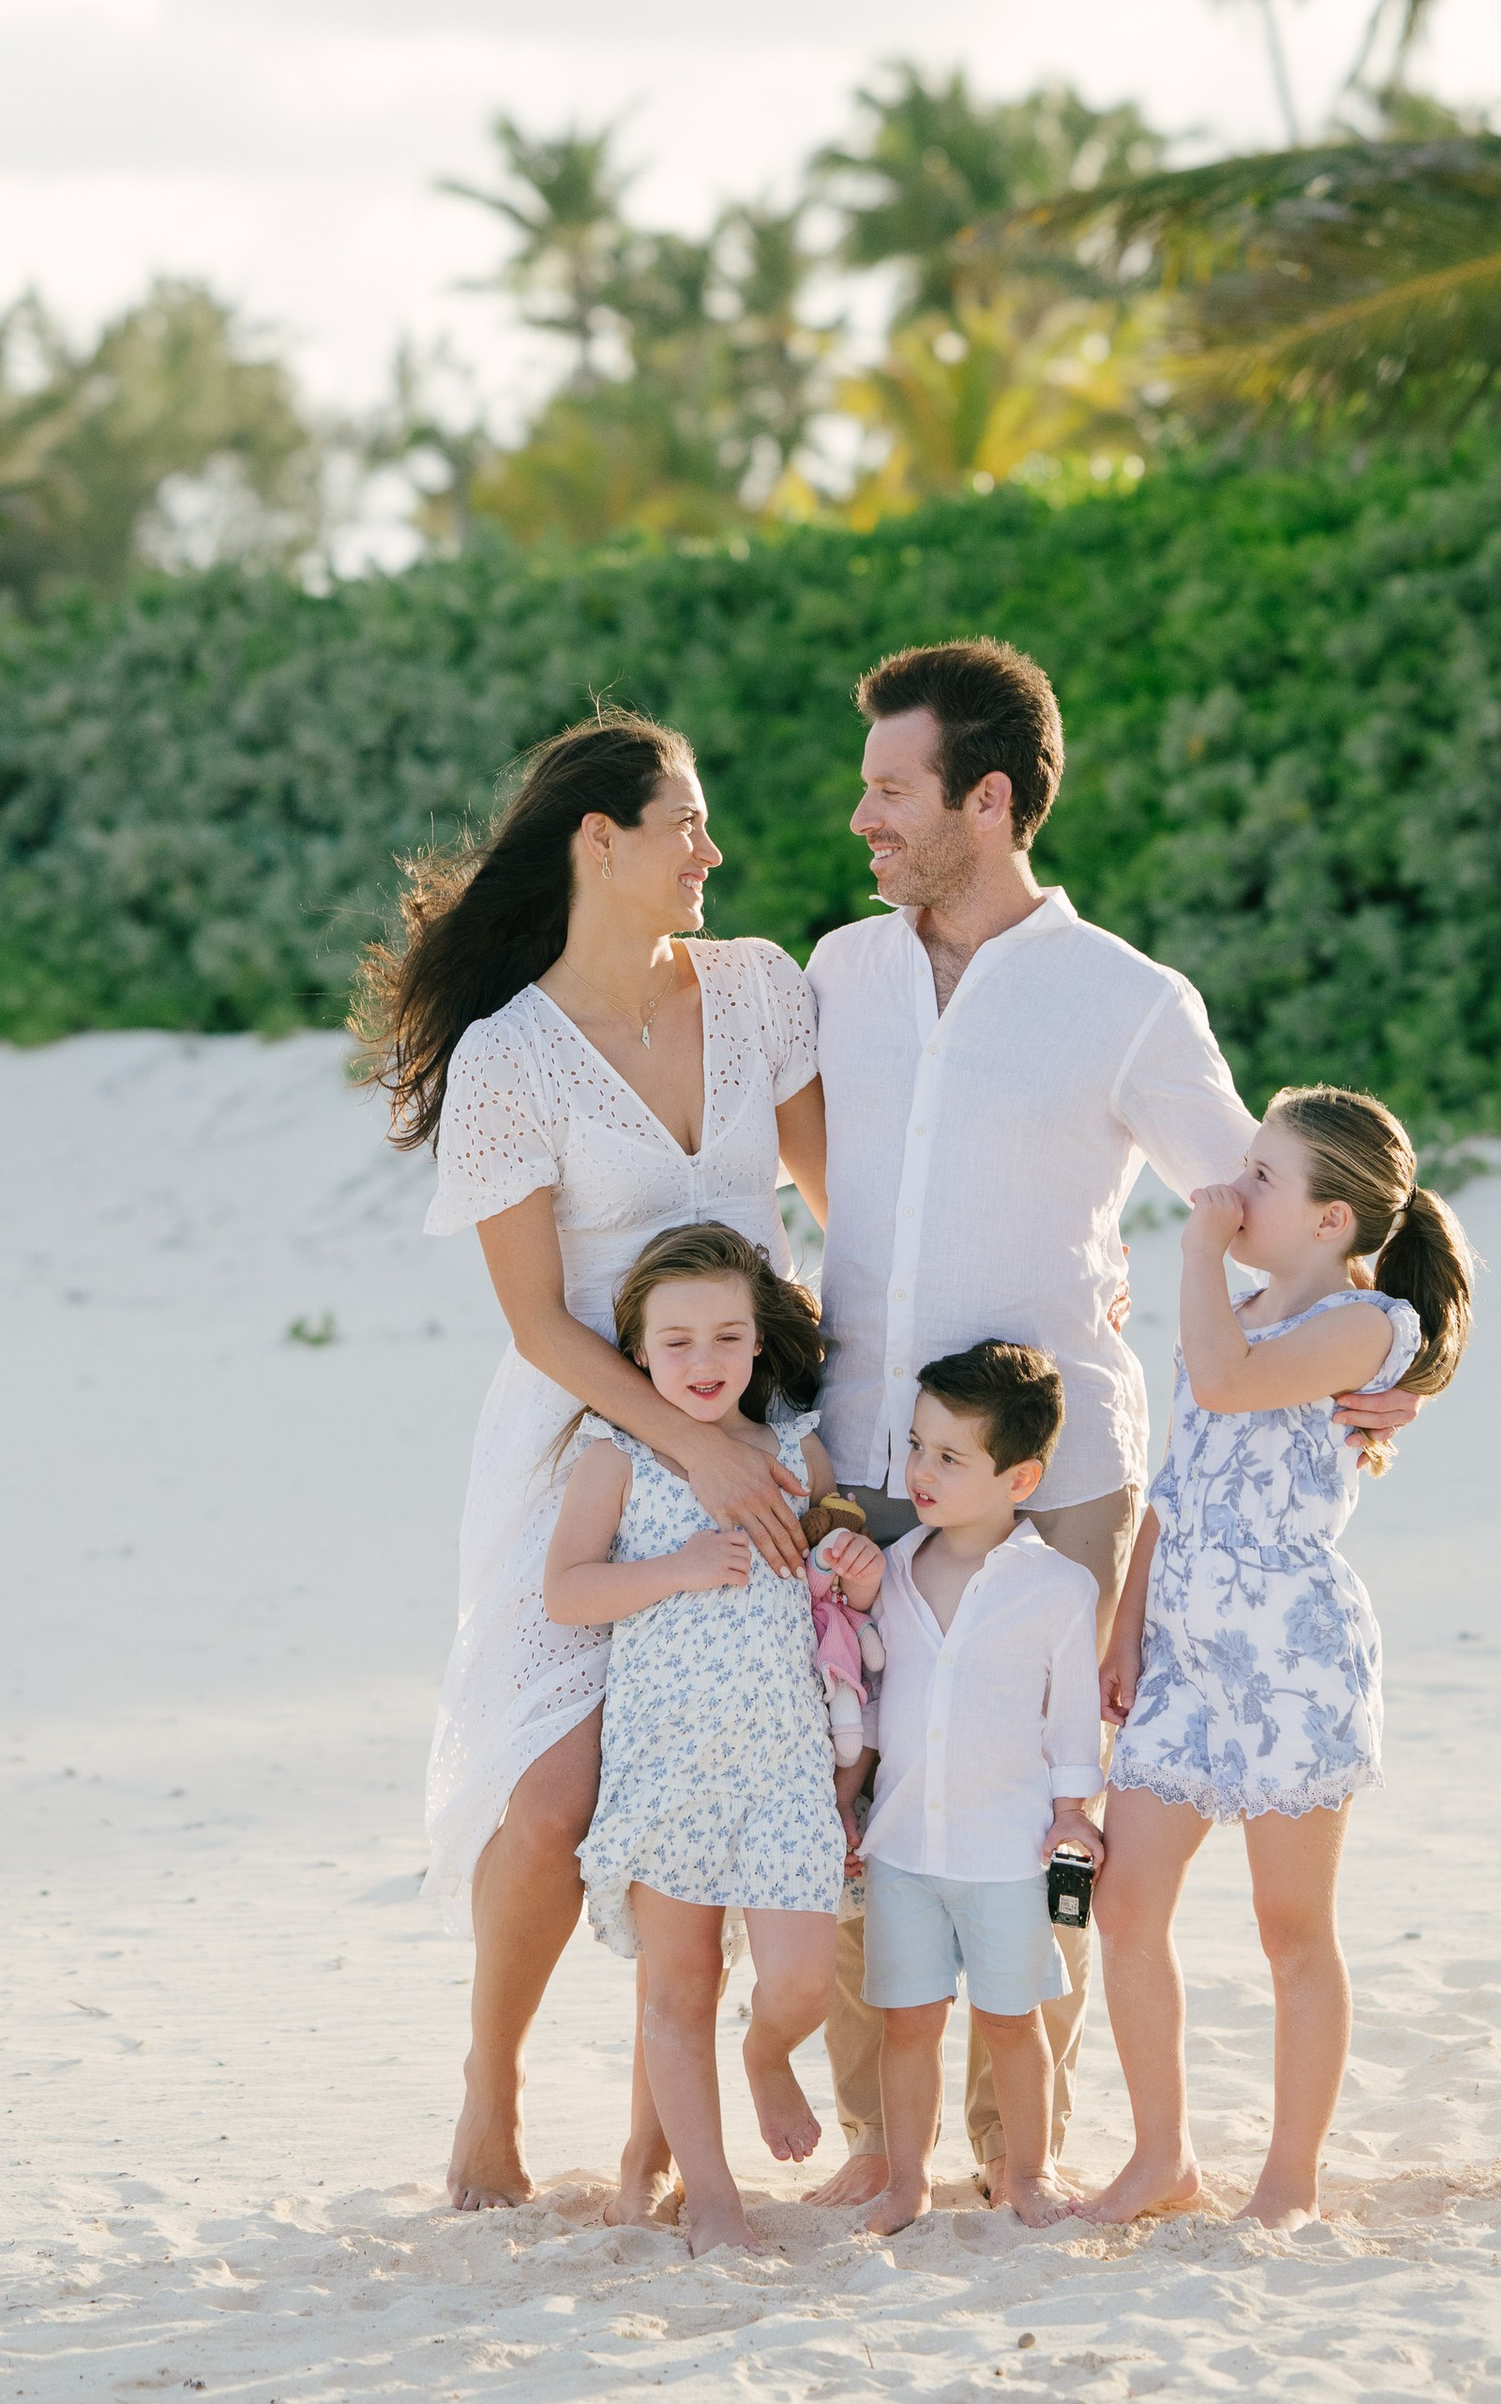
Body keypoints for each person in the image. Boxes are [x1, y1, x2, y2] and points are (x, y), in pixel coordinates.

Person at [803, 637, 1421, 2209]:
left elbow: (1277, 1208)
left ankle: (1027, 2154)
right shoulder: (839, 973)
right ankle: (886, 2149)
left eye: (893, 790)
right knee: (865, 1799)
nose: (862, 819)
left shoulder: (1129, 1001)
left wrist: (1414, 1354)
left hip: (1061, 1480)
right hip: (871, 1457)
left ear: (989, 799)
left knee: (1034, 1815)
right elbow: (841, 1170)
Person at [358, 712, 830, 2213]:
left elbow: (842, 1200)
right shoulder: (510, 1060)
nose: (712, 848)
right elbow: (538, 1325)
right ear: (598, 840)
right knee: (555, 1796)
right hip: (588, 1441)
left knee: (715, 1767)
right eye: (685, 821)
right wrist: (689, 1437)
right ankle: (487, 2095)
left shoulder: (759, 990)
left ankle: (656, 2140)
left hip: (760, 1422)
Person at [1083, 1086, 1475, 2231]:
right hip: (1182, 1651)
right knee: (1125, 1903)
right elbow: (1174, 1484)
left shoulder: (1363, 1330)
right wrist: (1125, 1629)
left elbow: (1225, 1383)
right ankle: (1163, 2154)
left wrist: (1195, 1250)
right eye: (1240, 1166)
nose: (1231, 1189)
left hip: (1288, 1655)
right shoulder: (1239, 1302)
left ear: (1331, 1223)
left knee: (1288, 1925)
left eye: (1262, 1175)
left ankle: (1288, 2177)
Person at [545, 1222, 885, 2257]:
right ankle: (715, 2199)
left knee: (792, 1976)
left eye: (726, 1337)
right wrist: (676, 1568)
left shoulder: (794, 1448)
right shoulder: (616, 1458)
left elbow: (832, 1570)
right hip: (668, 1767)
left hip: (784, 1769)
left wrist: (851, 1567)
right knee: (677, 1985)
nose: (703, 1362)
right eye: (677, 1341)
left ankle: (768, 2056)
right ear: (638, 1351)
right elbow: (565, 1591)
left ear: (756, 1343)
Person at [853, 1344, 1104, 2239]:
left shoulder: (1058, 1588)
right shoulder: (893, 1573)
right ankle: (906, 2181)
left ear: (1020, 1475)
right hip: (905, 1851)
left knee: (1011, 2021)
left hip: (1006, 1853)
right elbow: (873, 1705)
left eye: (950, 1457)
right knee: (908, 2022)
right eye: (917, 1445)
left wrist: (1076, 1809)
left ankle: (1027, 2171)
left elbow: (1074, 1715)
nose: (920, 1470)